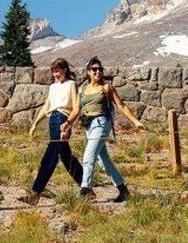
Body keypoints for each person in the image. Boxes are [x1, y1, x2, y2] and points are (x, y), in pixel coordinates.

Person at [63, 56, 144, 202]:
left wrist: (135, 122)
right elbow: (76, 110)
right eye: (94, 69)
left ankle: (85, 190)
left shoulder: (106, 88)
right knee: (103, 161)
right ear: (88, 72)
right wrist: (68, 122)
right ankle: (122, 189)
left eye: (100, 69)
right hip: (88, 126)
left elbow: (121, 105)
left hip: (101, 124)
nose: (97, 72)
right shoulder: (83, 90)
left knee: (88, 156)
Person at [19, 58, 84, 206]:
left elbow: (76, 108)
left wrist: (68, 125)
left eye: (57, 70)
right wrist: (35, 123)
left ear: (65, 70)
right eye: (53, 71)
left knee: (50, 156)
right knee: (66, 157)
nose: (55, 74)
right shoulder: (53, 87)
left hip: (62, 119)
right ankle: (86, 188)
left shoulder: (71, 84)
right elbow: (46, 106)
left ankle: (36, 193)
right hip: (52, 119)